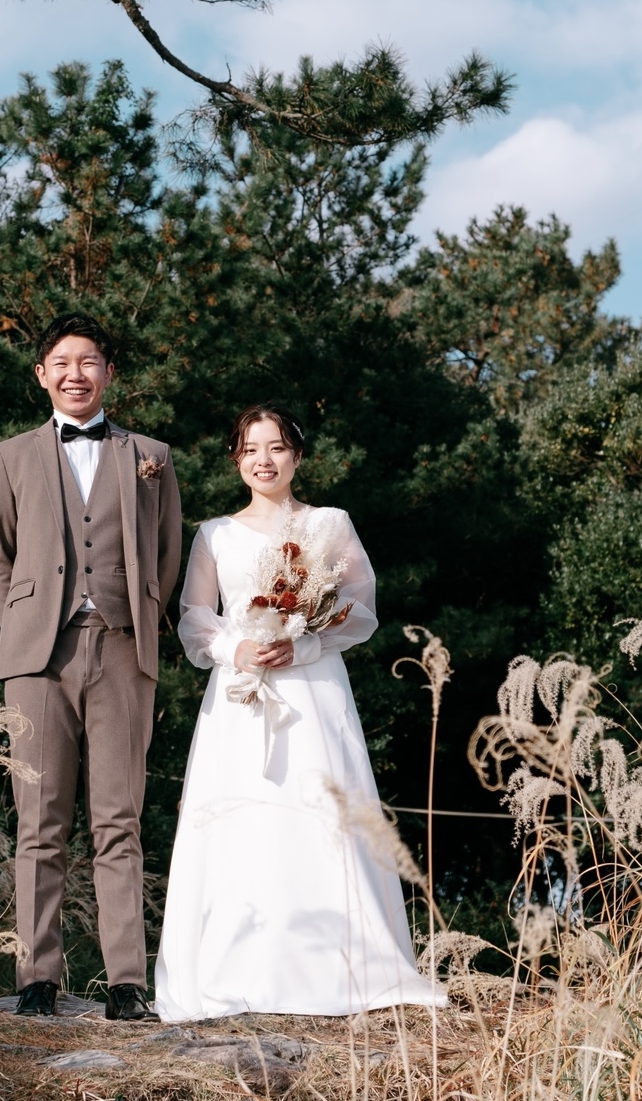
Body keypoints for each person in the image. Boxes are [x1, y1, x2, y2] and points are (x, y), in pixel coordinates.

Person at [153, 404, 445, 1020]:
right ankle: (237, 965)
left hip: (313, 688)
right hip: (241, 695)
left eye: (277, 447)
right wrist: (236, 649)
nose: (264, 460)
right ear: (236, 459)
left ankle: (341, 965)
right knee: (242, 814)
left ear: (297, 456)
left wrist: (304, 643)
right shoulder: (214, 534)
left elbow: (360, 607)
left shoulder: (329, 524)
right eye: (251, 449)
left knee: (322, 811)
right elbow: (195, 617)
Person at [0, 312, 182, 1020]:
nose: (75, 374)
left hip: (123, 647)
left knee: (119, 820)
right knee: (39, 820)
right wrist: (28, 627)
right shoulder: (9, 456)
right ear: (41, 374)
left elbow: (166, 554)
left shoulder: (151, 456)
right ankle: (38, 977)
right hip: (38, 658)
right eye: (61, 363)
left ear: (108, 373)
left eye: (88, 361)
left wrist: (137, 617)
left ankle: (126, 984)